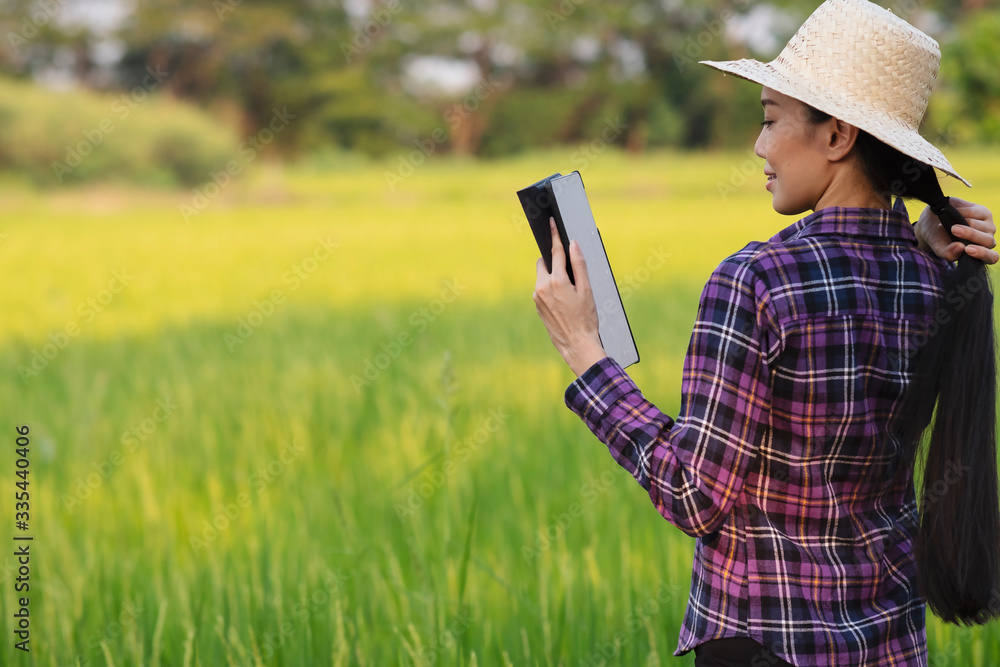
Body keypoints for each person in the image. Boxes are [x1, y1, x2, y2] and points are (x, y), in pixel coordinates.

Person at [531, 0, 1000, 665]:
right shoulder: (937, 279)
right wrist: (914, 242)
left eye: (771, 119)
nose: (758, 146)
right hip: (892, 639)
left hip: (763, 640)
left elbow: (694, 494)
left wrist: (584, 350)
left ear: (837, 136)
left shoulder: (756, 280)